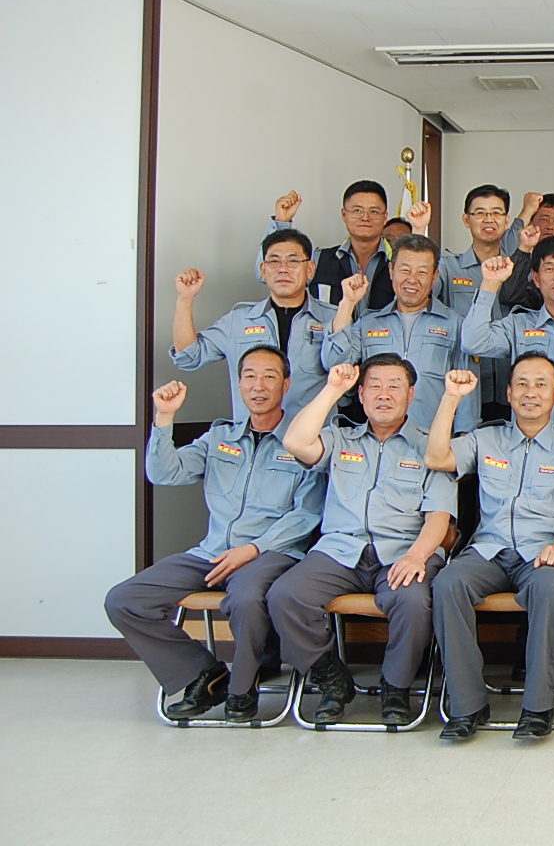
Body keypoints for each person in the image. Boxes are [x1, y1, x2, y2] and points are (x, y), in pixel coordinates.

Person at [105, 349, 325, 722]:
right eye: (250, 376)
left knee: (246, 597)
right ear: (239, 384)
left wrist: (253, 549)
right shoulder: (219, 437)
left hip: (270, 553)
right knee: (124, 600)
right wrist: (164, 418)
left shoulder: (301, 441)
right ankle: (204, 674)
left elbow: (308, 514)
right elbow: (164, 473)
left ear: (286, 385)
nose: (259, 386)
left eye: (269, 376)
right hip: (211, 552)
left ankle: (243, 688)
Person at [267, 356, 457, 725]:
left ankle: (396, 686)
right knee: (285, 595)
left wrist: (417, 556)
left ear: (411, 394)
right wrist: (332, 389)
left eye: (394, 386)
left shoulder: (430, 446)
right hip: (340, 552)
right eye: (374, 386)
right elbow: (295, 441)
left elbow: (439, 516)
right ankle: (330, 676)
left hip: (403, 552)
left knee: (413, 601)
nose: (384, 394)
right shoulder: (341, 437)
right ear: (361, 394)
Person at [427, 358, 554, 740]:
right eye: (521, 383)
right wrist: (451, 398)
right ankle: (467, 705)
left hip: (545, 551)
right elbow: (436, 457)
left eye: (540, 384)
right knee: (447, 584)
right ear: (508, 393)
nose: (530, 392)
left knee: (549, 589)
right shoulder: (485, 439)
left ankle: (538, 707)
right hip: (489, 549)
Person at [170, 229, 336, 422]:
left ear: (310, 269)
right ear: (263, 270)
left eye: (293, 261)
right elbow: (188, 357)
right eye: (274, 261)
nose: (283, 269)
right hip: (252, 437)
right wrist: (185, 299)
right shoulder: (239, 320)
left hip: (312, 437)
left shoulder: (334, 318)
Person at [322, 233, 479, 434]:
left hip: (432, 439)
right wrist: (348, 303)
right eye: (405, 270)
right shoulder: (369, 322)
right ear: (391, 271)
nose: (412, 279)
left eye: (422, 272)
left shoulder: (455, 323)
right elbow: (333, 363)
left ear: (434, 277)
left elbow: (468, 389)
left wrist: (463, 438)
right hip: (378, 439)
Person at [460, 237, 554, 436]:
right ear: (536, 279)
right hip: (528, 445)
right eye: (549, 268)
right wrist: (490, 284)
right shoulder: (518, 324)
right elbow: (472, 342)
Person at [436, 185, 537, 421]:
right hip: (465, 386)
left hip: (513, 386)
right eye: (480, 213)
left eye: (496, 213)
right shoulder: (450, 267)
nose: (488, 219)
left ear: (507, 220)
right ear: (466, 219)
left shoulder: (520, 268)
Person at [259, 182, 396, 314]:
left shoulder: (399, 262)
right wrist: (281, 223)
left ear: (385, 217)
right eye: (357, 210)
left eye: (374, 211)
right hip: (327, 331)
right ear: (344, 214)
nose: (365, 217)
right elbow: (265, 275)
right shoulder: (319, 259)